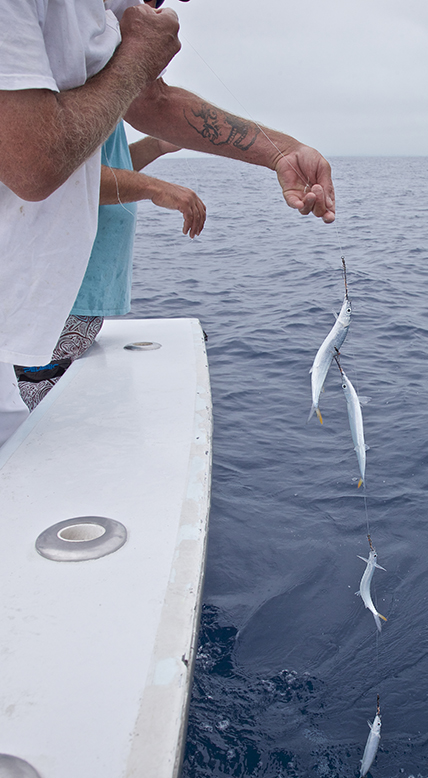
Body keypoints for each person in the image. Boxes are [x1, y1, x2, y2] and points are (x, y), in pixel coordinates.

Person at [0, 0, 335, 446]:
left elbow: (151, 99)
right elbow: (33, 162)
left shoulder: (105, 9)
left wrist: (281, 151)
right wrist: (137, 57)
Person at [16, 123, 205, 410]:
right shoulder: (73, 86)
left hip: (79, 300)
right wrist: (154, 188)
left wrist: (157, 145)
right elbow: (54, 174)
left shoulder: (102, 106)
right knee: (33, 422)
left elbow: (104, 168)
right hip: (51, 298)